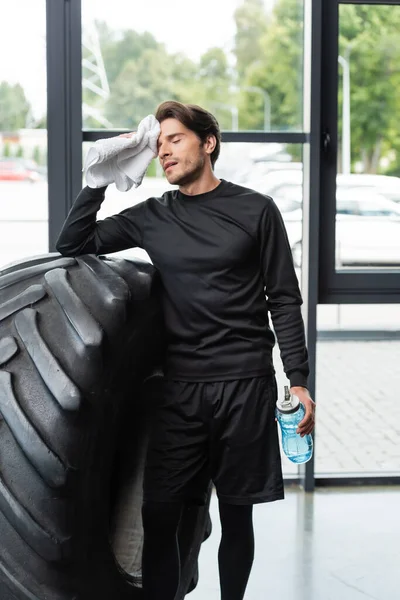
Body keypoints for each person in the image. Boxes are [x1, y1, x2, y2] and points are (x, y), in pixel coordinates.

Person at [56, 100, 316, 600]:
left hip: (245, 386)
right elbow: (73, 243)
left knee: (237, 516)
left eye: (175, 139)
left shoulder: (256, 209)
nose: (164, 152)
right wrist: (97, 182)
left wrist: (299, 380)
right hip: (180, 392)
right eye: (158, 146)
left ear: (208, 143)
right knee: (160, 516)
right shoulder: (154, 215)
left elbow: (283, 299)